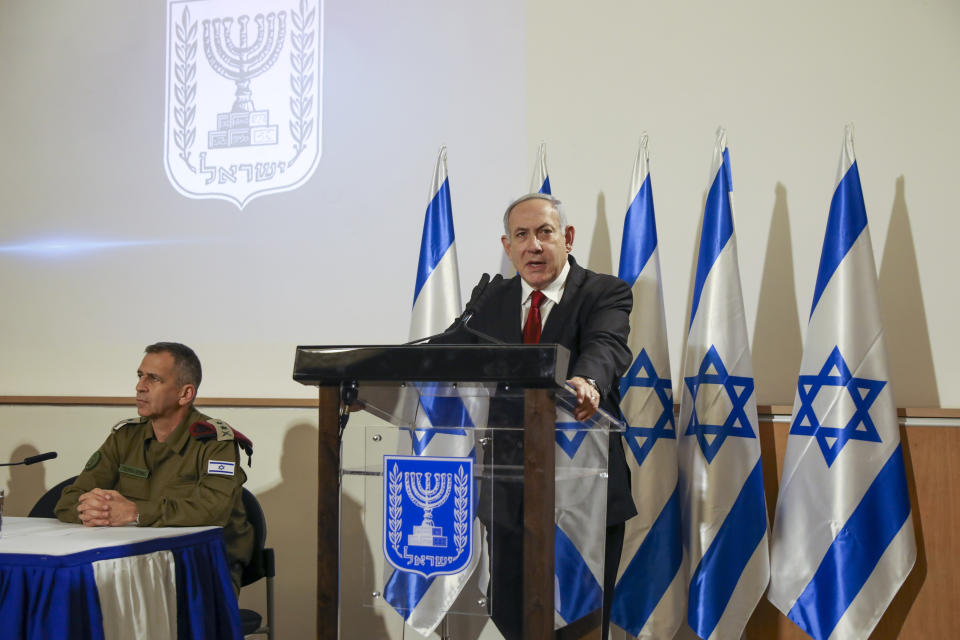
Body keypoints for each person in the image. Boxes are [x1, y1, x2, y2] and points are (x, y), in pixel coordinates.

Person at [447, 193, 636, 639]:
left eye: (545, 232)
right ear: (507, 245)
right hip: (509, 492)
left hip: (584, 491)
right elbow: (445, 351)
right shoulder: (492, 299)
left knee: (579, 624)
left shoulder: (603, 292)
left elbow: (606, 346)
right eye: (521, 235)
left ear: (567, 239)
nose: (533, 245)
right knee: (513, 617)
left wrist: (587, 380)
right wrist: (362, 376)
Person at [54, 342, 254, 593]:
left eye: (154, 378)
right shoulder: (125, 436)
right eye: (140, 375)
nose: (140, 386)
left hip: (201, 565)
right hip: (130, 561)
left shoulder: (214, 441)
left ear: (185, 394)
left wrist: (135, 513)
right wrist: (92, 510)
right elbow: (70, 498)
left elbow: (214, 510)